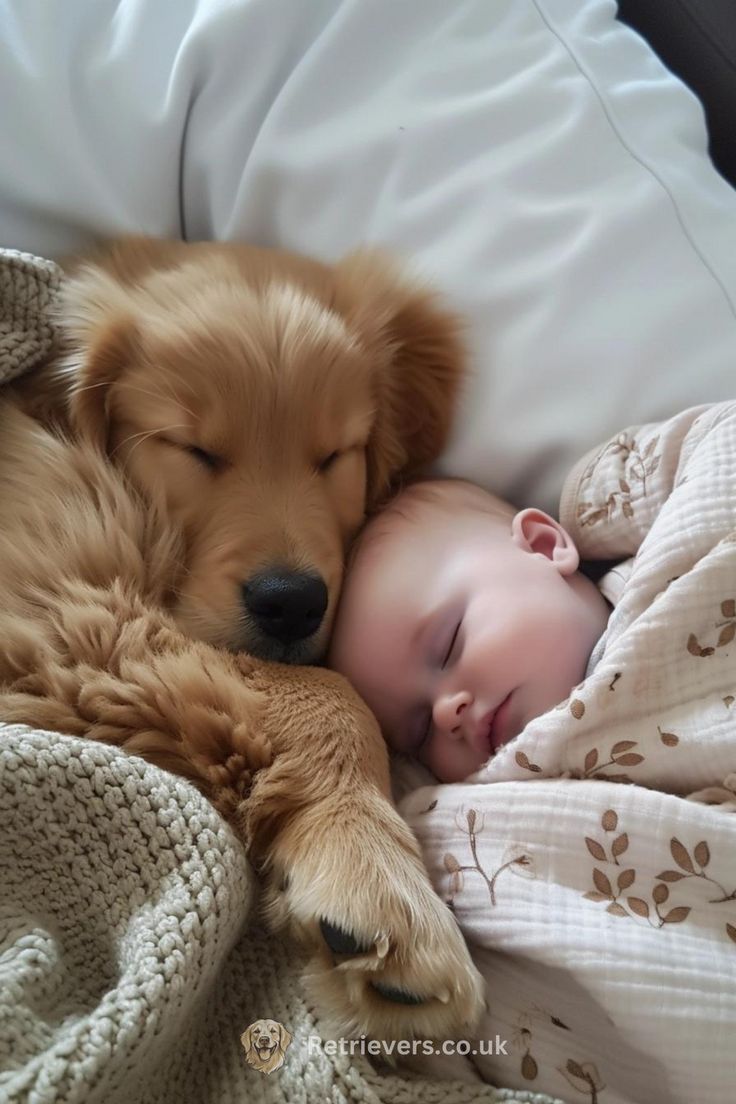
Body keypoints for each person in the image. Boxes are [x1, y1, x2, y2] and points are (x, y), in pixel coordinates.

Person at [328, 478, 610, 783]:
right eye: (421, 734)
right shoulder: (473, 812)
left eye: (449, 645)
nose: (445, 714)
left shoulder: (659, 566)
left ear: (543, 545)